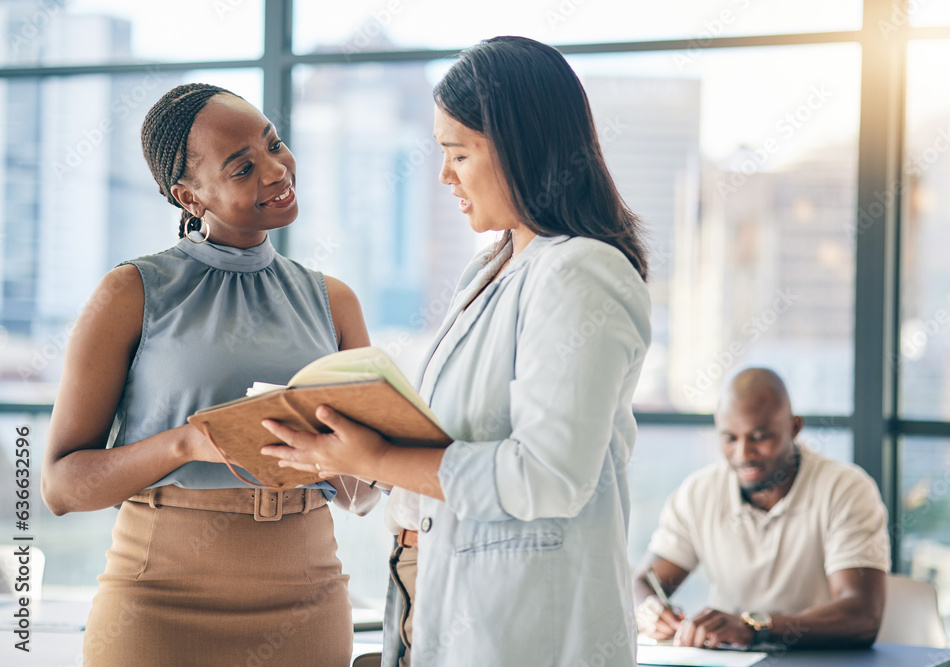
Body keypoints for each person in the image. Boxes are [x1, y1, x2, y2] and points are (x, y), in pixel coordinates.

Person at [260, 36, 652, 667]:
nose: (444, 174)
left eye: (459, 153)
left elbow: (547, 476)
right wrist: (346, 451)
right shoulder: (492, 268)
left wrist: (381, 456)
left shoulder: (581, 272)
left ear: (523, 148)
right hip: (433, 599)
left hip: (524, 629)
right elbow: (458, 440)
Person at [41, 83, 381, 666]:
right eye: (243, 167)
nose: (276, 170)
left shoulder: (334, 301)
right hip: (158, 600)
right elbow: (61, 487)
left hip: (306, 597)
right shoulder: (130, 292)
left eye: (274, 145)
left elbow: (362, 495)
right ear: (189, 196)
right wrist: (187, 441)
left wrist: (351, 455)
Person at [633, 368, 890, 650]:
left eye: (759, 437)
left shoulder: (846, 489)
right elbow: (645, 582)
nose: (743, 454)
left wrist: (755, 628)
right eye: (730, 438)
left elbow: (862, 616)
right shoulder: (698, 492)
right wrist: (651, 610)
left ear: (794, 427)